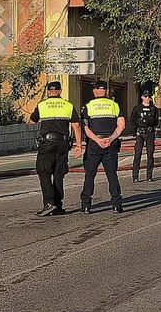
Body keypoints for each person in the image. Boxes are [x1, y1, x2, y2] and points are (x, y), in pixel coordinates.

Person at [28, 81, 78, 216]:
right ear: (60, 91)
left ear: (48, 92)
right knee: (59, 174)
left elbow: (32, 122)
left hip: (47, 143)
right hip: (63, 143)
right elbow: (76, 126)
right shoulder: (68, 105)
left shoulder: (42, 105)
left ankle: (49, 203)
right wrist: (79, 145)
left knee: (44, 172)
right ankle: (58, 205)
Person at [78, 80, 126, 213]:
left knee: (90, 174)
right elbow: (121, 126)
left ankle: (86, 205)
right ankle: (116, 204)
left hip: (94, 144)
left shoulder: (88, 107)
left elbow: (85, 128)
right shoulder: (114, 105)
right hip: (111, 143)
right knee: (112, 175)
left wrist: (97, 141)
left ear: (94, 91)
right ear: (107, 91)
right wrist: (110, 139)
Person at [129, 89, 161, 182]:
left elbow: (156, 121)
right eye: (146, 96)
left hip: (150, 132)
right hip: (140, 133)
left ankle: (149, 176)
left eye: (149, 96)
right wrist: (137, 128)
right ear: (142, 97)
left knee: (150, 154)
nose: (147, 98)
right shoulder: (137, 108)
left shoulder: (153, 108)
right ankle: (135, 176)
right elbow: (132, 120)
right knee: (137, 154)